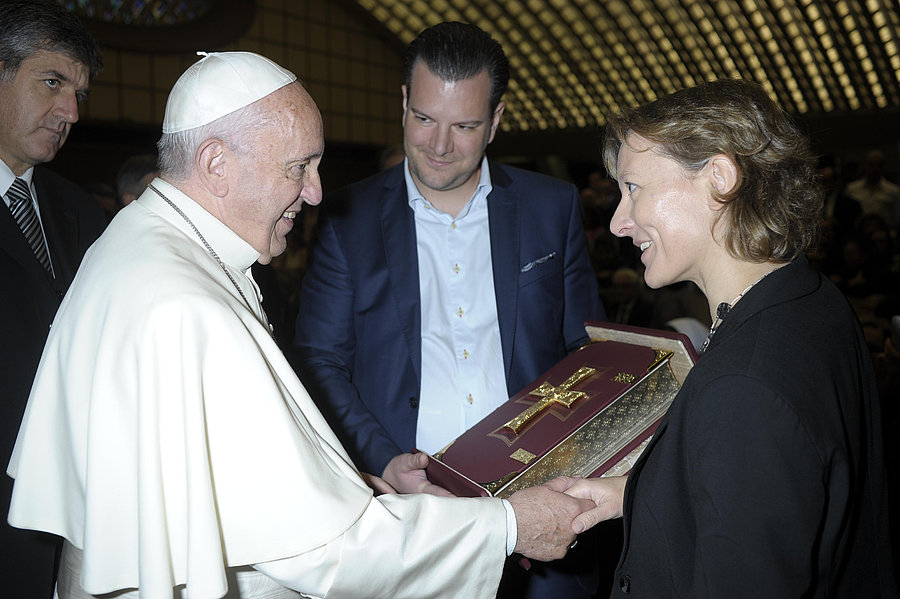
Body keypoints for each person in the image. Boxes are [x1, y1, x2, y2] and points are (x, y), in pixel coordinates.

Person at [7, 51, 591, 599]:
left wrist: (334, 481)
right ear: (216, 164)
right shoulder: (185, 304)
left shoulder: (146, 242)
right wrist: (509, 527)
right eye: (299, 167)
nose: (314, 193)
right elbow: (328, 552)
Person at [291, 22, 605, 596]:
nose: (439, 145)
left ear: (497, 121)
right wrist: (382, 459)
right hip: (410, 514)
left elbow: (583, 350)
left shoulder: (549, 207)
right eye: (424, 118)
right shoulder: (347, 218)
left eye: (464, 126)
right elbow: (319, 359)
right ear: (404, 103)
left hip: (536, 495)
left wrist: (574, 457)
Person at [564, 78, 897, 597]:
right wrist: (636, 491)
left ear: (718, 178)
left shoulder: (744, 387)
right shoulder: (807, 298)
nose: (617, 223)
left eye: (634, 188)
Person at [0, 1, 105, 596]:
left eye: (77, 94)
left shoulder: (80, 211)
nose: (68, 111)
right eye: (52, 82)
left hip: (67, 513)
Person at [846, 149, 900, 231]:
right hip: (859, 236)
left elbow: (897, 220)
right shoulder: (852, 189)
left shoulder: (894, 191)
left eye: (879, 165)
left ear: (884, 167)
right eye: (871, 165)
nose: (875, 168)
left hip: (884, 236)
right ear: (864, 165)